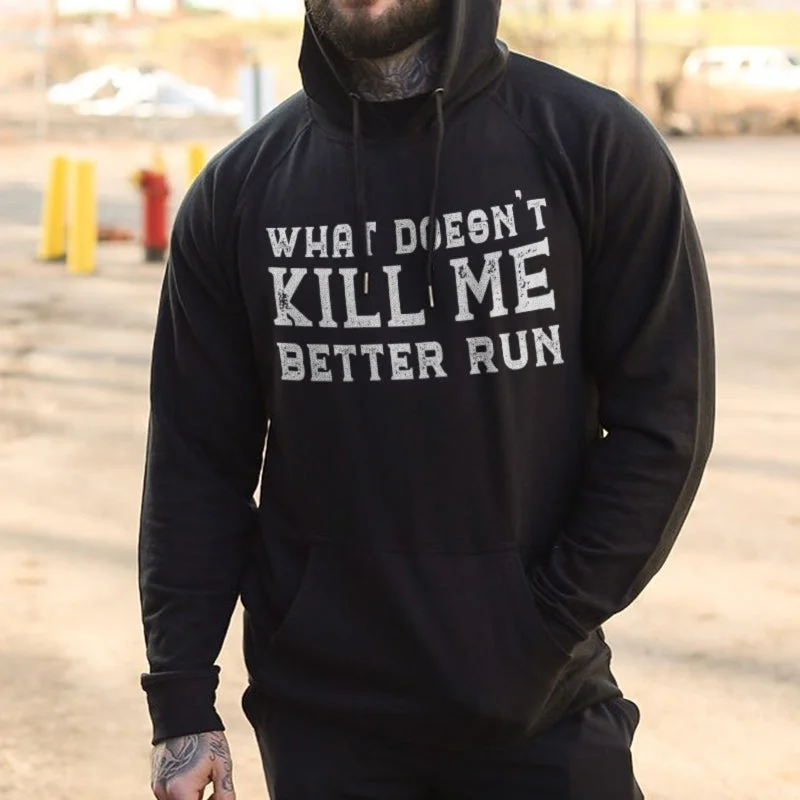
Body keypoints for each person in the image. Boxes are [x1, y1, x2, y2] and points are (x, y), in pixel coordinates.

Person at [139, 1, 715, 798]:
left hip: (542, 709)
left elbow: (664, 424)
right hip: (323, 726)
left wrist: (541, 627)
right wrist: (180, 699)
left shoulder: (591, 143)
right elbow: (196, 463)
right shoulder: (240, 190)